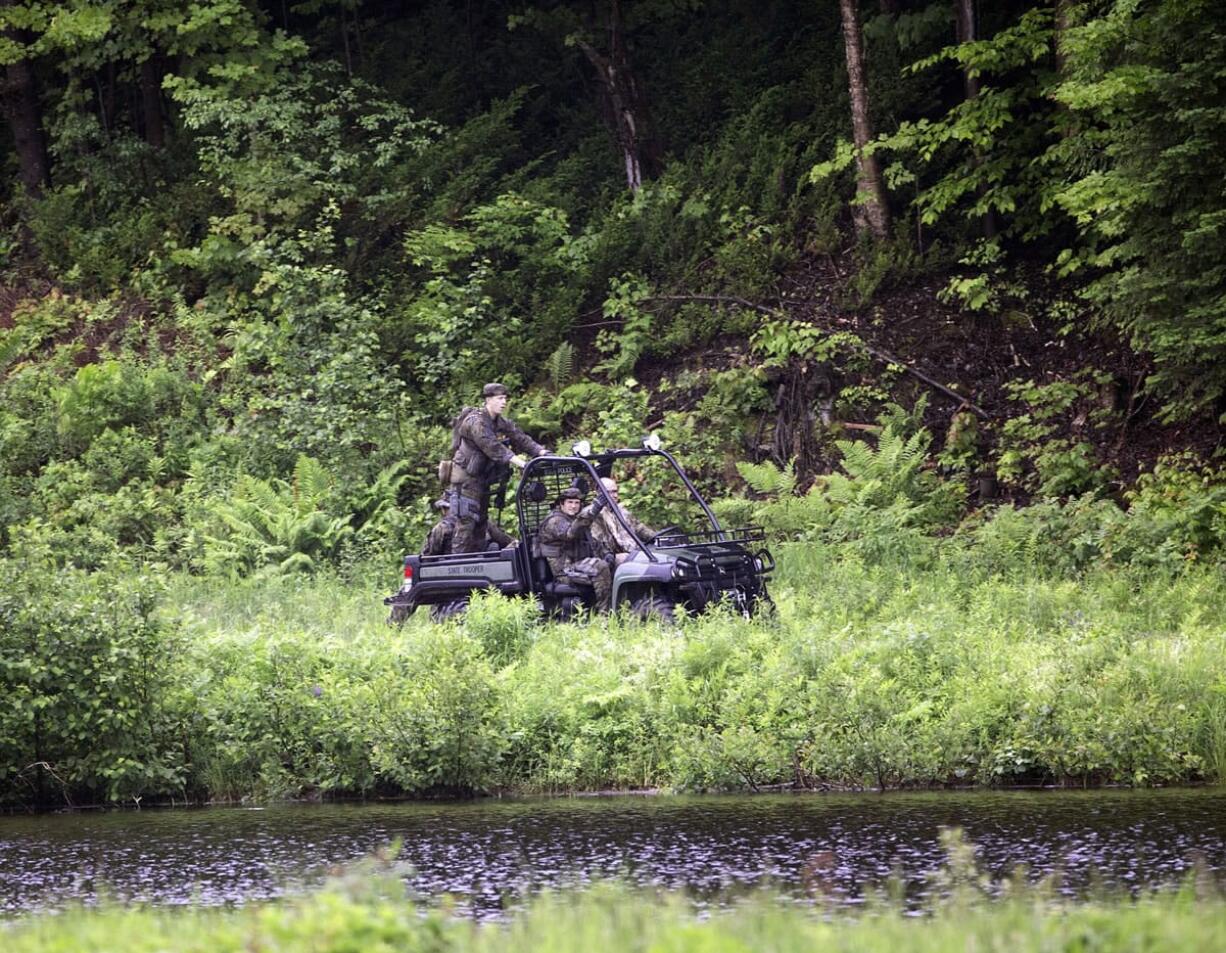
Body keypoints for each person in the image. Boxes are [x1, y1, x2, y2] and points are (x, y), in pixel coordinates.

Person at [446, 382, 546, 553]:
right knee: (466, 525)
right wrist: (521, 463)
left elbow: (519, 436)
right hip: (466, 482)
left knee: (481, 524)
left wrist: (541, 451)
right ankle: (457, 567)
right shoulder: (476, 422)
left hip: (481, 481)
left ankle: (476, 564)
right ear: (488, 400)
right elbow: (492, 447)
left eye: (505, 398)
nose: (504, 402)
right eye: (500, 398)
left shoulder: (498, 421)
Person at [536, 487, 613, 610]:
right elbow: (569, 533)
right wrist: (591, 512)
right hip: (565, 571)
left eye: (577, 503)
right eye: (570, 502)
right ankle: (604, 614)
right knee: (600, 567)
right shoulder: (554, 521)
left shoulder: (575, 519)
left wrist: (607, 554)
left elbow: (593, 542)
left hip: (579, 564)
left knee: (615, 562)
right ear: (562, 504)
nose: (573, 506)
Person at [589, 476, 657, 566]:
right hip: (611, 558)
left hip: (634, 552)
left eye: (616, 491)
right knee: (627, 558)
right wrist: (611, 555)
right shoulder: (594, 515)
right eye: (611, 492)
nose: (616, 496)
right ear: (600, 494)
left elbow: (640, 528)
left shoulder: (622, 511)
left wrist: (656, 537)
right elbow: (599, 544)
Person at [421, 493, 516, 557]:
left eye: (444, 508)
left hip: (451, 575)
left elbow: (427, 557)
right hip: (484, 572)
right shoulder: (483, 523)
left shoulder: (441, 529)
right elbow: (508, 542)